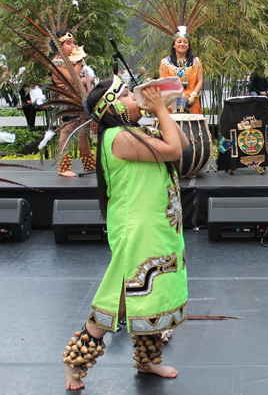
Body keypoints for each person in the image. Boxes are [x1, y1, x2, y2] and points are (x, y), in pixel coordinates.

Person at [64, 75, 190, 390]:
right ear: (113, 106)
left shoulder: (134, 131)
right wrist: (159, 109)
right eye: (127, 94)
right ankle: (74, 362)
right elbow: (173, 150)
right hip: (136, 232)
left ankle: (148, 361)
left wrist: (162, 111)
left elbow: (183, 144)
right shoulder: (118, 138)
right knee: (119, 300)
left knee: (149, 295)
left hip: (156, 229)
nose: (136, 98)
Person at [50, 29, 95, 177]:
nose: (73, 46)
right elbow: (73, 78)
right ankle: (64, 166)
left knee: (82, 130)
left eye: (73, 42)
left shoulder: (71, 61)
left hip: (78, 100)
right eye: (68, 43)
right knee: (68, 129)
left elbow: (83, 79)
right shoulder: (57, 62)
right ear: (59, 46)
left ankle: (89, 163)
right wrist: (80, 59)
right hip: (67, 100)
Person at [160, 29, 203, 113]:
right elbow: (162, 83)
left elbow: (200, 81)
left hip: (191, 102)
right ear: (174, 45)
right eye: (179, 41)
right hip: (171, 103)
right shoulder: (165, 62)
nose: (182, 44)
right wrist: (167, 100)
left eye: (185, 42)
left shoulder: (196, 62)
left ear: (188, 45)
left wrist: (193, 96)